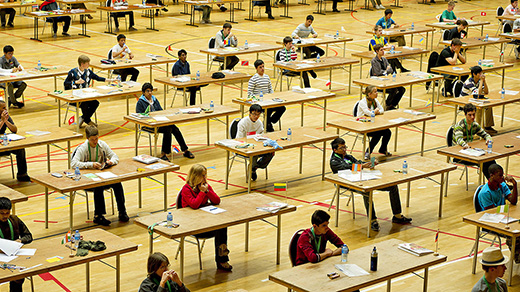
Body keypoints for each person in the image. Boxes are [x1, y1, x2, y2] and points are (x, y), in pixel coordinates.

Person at [330, 137, 411, 231]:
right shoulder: (334, 161)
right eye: (342, 148)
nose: (344, 150)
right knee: (367, 191)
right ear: (335, 150)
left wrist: (368, 164)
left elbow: (358, 162)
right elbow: (347, 168)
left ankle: (397, 216)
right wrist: (361, 166)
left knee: (392, 186)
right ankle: (373, 220)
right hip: (346, 183)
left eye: (345, 147)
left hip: (360, 179)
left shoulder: (348, 156)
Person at [71, 125, 129, 226]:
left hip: (101, 175)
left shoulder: (102, 144)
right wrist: (91, 164)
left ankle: (122, 211)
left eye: (96, 138)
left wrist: (111, 162)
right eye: (92, 140)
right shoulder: (82, 148)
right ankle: (98, 216)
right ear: (87, 139)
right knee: (98, 185)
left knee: (117, 182)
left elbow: (115, 156)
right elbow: (74, 163)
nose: (95, 141)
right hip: (87, 178)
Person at [180, 164, 232, 271]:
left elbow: (217, 200)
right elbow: (194, 205)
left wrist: (208, 191)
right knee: (219, 229)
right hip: (193, 225)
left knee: (222, 226)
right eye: (202, 175)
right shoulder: (186, 189)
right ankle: (222, 259)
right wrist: (203, 193)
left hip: (205, 221)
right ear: (195, 176)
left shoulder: (205, 186)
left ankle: (222, 259)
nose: (205, 178)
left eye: (205, 175)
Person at [136, 83, 194, 160]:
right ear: (143, 92)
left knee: (174, 128)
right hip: (148, 125)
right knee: (168, 129)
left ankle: (185, 150)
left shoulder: (154, 99)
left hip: (159, 123)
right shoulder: (140, 102)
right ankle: (163, 154)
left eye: (151, 91)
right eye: (147, 91)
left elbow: (160, 111)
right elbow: (140, 117)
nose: (150, 93)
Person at [476, 164, 518, 265]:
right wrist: (506, 209)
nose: (502, 177)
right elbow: (493, 213)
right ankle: (518, 258)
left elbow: (513, 201)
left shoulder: (502, 185)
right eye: (500, 175)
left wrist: (515, 185)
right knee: (514, 235)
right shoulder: (485, 193)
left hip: (504, 219)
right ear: (491, 175)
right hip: (491, 222)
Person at [64, 55, 115, 127]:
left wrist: (112, 80)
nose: (89, 65)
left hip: (86, 95)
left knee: (95, 103)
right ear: (82, 64)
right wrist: (75, 82)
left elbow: (98, 78)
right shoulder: (72, 72)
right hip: (74, 97)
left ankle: (84, 118)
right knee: (85, 104)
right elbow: (65, 83)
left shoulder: (88, 72)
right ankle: (87, 120)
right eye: (87, 63)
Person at [452, 103, 496, 180]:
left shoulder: (474, 125)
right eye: (470, 115)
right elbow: (459, 139)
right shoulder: (459, 126)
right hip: (459, 155)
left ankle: (499, 184)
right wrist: (464, 144)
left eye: (474, 114)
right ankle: (493, 184)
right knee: (484, 162)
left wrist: (489, 139)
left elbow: (485, 134)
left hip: (470, 152)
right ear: (465, 114)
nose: (472, 117)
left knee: (490, 159)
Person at [0, 197, 32, 292]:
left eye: (7, 213)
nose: (5, 216)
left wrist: (21, 240)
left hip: (13, 257)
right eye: (2, 213)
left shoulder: (15, 220)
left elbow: (28, 236)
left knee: (18, 278)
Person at [236, 104, 274, 181]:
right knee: (254, 153)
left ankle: (254, 167)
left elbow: (260, 136)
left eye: (258, 115)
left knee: (271, 152)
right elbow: (239, 139)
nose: (256, 116)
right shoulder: (243, 123)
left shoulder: (259, 123)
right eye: (254, 114)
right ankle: (253, 168)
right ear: (250, 113)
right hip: (243, 145)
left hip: (256, 145)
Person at [247, 59, 286, 132]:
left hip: (268, 100)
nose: (262, 69)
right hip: (259, 102)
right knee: (268, 109)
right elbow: (250, 94)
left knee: (282, 108)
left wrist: (272, 97)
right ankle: (268, 124)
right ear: (256, 68)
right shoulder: (253, 79)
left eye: (263, 67)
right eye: (260, 67)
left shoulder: (267, 77)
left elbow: (270, 89)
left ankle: (270, 121)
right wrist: (257, 99)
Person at [356, 86, 393, 158]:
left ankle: (382, 149)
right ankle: (368, 152)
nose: (377, 93)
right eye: (375, 92)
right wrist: (374, 112)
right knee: (377, 134)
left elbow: (382, 110)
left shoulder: (375, 100)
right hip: (363, 126)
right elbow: (368, 113)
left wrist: (376, 112)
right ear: (369, 94)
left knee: (387, 132)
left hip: (374, 124)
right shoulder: (362, 102)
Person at [460, 66, 496, 134]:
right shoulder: (469, 82)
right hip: (465, 101)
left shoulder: (479, 81)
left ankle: (488, 126)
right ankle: (478, 129)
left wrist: (484, 81)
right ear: (474, 74)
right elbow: (478, 93)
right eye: (479, 73)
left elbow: (486, 92)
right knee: (479, 108)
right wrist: (482, 80)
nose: (481, 75)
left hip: (473, 99)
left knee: (489, 106)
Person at [0, 100, 30, 182]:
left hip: (3, 143)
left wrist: (6, 121)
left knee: (20, 149)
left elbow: (14, 130)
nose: (5, 109)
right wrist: (2, 121)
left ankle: (22, 174)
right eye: (3, 108)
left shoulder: (6, 116)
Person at [370, 45, 405, 110]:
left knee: (402, 89)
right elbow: (378, 72)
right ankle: (387, 105)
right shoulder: (374, 61)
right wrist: (386, 70)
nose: (383, 51)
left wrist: (385, 71)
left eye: (383, 49)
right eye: (381, 50)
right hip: (378, 83)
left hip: (386, 80)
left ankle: (392, 104)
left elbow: (391, 69)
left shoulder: (384, 59)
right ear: (377, 51)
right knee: (394, 90)